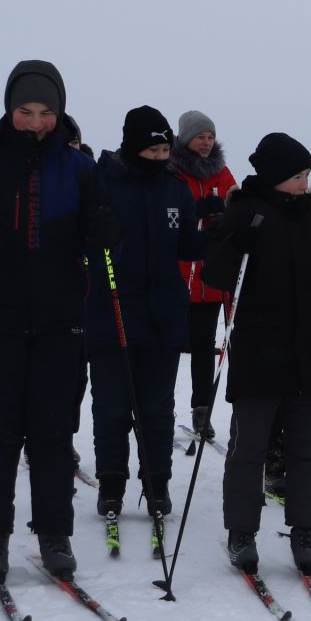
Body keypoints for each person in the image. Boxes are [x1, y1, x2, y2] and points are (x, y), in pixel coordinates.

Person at [0, 60, 112, 582]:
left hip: (61, 316)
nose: (36, 123)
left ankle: (54, 533)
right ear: (10, 109)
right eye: (25, 111)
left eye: (46, 112)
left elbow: (99, 230)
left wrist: (103, 230)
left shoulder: (78, 168)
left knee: (54, 432)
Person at [202, 133, 311, 576]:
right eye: (296, 176)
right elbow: (214, 275)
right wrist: (237, 244)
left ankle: (305, 529)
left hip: (310, 348)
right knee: (248, 448)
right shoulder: (245, 211)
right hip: (259, 347)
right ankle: (241, 530)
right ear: (273, 178)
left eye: (307, 174)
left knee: (308, 449)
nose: (304, 183)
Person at [85, 105, 201, 522]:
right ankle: (111, 483)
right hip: (111, 308)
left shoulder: (175, 188)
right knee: (113, 405)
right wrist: (94, 235)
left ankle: (157, 483)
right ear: (134, 148)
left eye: (165, 149)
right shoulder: (103, 182)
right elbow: (81, 236)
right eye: (153, 150)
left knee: (157, 406)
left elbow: (186, 244)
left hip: (163, 314)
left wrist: (218, 234)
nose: (160, 157)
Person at [170, 110, 235, 440]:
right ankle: (159, 405)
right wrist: (193, 212)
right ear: (185, 138)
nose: (206, 142)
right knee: (166, 344)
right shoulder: (172, 171)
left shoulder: (221, 172)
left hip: (209, 276)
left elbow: (236, 206)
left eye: (210, 136)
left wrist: (223, 216)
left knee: (202, 346)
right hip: (177, 273)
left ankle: (201, 409)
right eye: (200, 136)